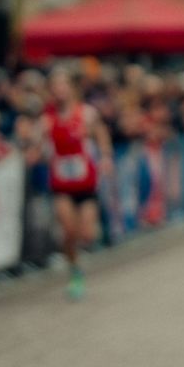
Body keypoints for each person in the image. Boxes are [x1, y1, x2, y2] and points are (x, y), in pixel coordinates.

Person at [44, 68, 112, 300]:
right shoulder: (48, 117)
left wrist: (104, 156)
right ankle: (74, 271)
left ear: (71, 88)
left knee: (87, 233)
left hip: (85, 181)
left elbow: (101, 133)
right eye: (56, 85)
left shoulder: (86, 113)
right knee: (69, 230)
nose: (59, 90)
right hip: (61, 183)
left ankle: (78, 257)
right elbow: (37, 141)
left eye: (63, 84)